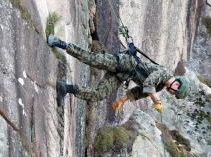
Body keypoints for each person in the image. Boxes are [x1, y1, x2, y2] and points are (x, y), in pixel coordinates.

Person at [47, 35, 190, 112]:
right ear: (176, 85)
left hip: (122, 76)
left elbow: (137, 92)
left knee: (98, 95)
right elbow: (148, 83)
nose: (172, 94)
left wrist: (121, 101)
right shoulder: (164, 73)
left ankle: (65, 88)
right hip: (123, 63)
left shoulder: (159, 88)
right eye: (175, 92)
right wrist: (156, 101)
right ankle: (60, 43)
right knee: (91, 59)